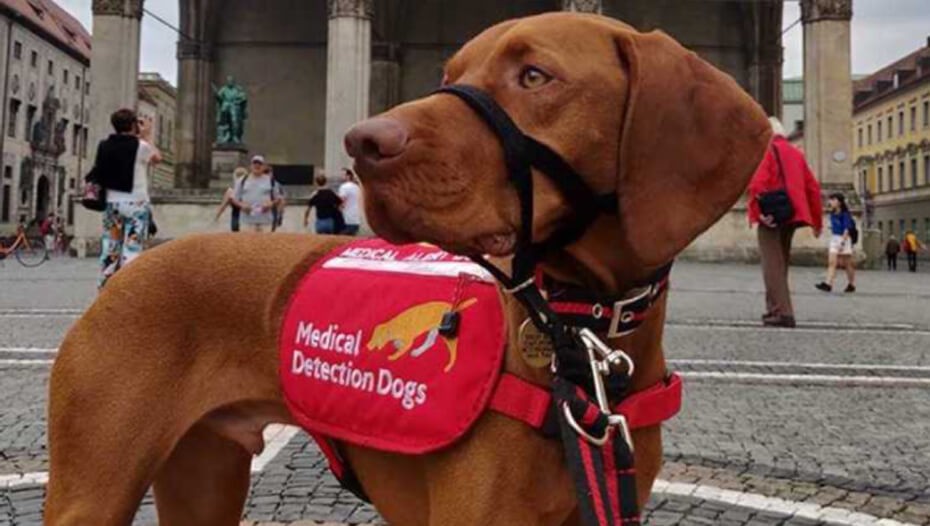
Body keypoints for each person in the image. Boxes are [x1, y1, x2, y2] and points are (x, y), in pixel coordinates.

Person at [747, 117, 822, 328]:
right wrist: (817, 221)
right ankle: (774, 309)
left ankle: (783, 313)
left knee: (771, 266)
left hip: (771, 216)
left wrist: (759, 213)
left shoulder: (767, 151)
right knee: (781, 265)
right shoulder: (796, 153)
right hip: (791, 214)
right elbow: (812, 188)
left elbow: (758, 183)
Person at [93, 109, 161, 288]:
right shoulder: (140, 146)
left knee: (111, 245)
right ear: (133, 126)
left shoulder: (104, 145)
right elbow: (156, 158)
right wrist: (147, 135)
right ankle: (130, 286)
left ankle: (106, 285)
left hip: (111, 202)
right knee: (132, 246)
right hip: (135, 202)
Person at [229, 155, 282, 232]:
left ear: (264, 167)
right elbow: (233, 198)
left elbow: (278, 198)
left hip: (266, 221)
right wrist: (242, 205)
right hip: (246, 221)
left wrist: (271, 204)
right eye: (255, 163)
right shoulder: (242, 180)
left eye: (260, 164)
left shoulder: (271, 181)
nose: (257, 166)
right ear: (250, 166)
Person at [815, 193, 856, 293]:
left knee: (848, 265)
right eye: (830, 200)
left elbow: (847, 229)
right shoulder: (832, 213)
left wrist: (842, 243)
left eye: (833, 200)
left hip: (844, 239)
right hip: (834, 238)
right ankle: (828, 284)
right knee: (832, 262)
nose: (830, 202)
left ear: (839, 202)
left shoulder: (845, 214)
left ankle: (851, 284)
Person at [215, 167, 248, 231]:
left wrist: (217, 217)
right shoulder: (250, 190)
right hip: (248, 222)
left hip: (237, 222)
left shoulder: (231, 191)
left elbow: (223, 206)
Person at [338, 168, 362, 235]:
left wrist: (338, 208)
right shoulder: (357, 187)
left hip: (347, 219)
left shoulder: (344, 187)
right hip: (356, 219)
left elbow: (341, 200)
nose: (341, 176)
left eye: (343, 175)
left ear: (348, 176)